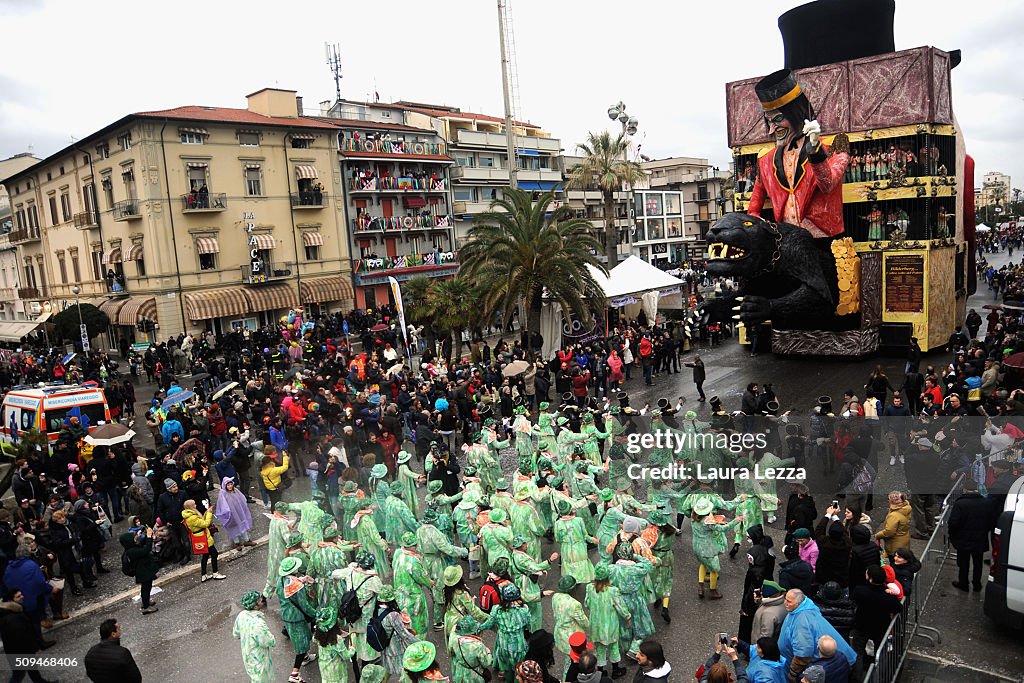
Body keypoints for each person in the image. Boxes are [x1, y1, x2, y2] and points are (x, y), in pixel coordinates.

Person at [778, 590, 856, 683]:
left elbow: (803, 654)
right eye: (785, 599)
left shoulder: (801, 622)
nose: (785, 603)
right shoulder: (805, 607)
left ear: (798, 603)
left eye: (789, 601)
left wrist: (793, 673)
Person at [0, 589, 58, 683]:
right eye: (18, 596)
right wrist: (34, 648)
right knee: (20, 673)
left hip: (15, 650)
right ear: (11, 600)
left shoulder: (11, 612)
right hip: (20, 651)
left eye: (21, 594)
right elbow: (23, 637)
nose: (22, 597)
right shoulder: (13, 617)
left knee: (29, 671)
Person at [948, 479, 990, 592]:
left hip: (963, 539)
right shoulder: (985, 502)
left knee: (964, 563)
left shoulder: (960, 503)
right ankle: (977, 584)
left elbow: (953, 523)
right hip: (980, 538)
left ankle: (963, 583)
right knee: (978, 563)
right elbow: (990, 520)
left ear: (965, 490)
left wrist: (953, 536)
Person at [234, 591, 276, 683]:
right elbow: (269, 641)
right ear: (255, 606)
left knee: (254, 677)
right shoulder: (258, 624)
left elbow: (236, 633)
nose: (262, 602)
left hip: (247, 655)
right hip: (259, 658)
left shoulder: (241, 616)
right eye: (260, 601)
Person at [84, 619, 143, 683]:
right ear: (113, 634)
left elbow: (90, 674)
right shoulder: (122, 653)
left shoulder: (90, 653)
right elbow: (135, 678)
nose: (120, 631)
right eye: (118, 629)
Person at [182, 499, 227, 582]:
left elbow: (201, 521)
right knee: (214, 554)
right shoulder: (192, 517)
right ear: (190, 507)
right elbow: (205, 524)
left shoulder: (190, 515)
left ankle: (204, 574)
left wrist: (207, 512)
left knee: (205, 556)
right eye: (194, 504)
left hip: (200, 537)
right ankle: (215, 573)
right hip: (203, 538)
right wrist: (209, 513)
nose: (196, 505)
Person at [119, 525, 159, 614]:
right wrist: (149, 537)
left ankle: (146, 601)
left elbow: (141, 543)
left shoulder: (131, 548)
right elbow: (146, 549)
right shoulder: (132, 551)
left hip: (144, 571)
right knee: (146, 588)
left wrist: (142, 535)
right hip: (143, 572)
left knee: (147, 587)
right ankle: (146, 606)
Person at [874, 491, 911, 561]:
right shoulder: (906, 508)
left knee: (895, 563)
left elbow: (889, 532)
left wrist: (877, 535)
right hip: (904, 540)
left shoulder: (894, 515)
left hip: (895, 545)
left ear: (892, 502)